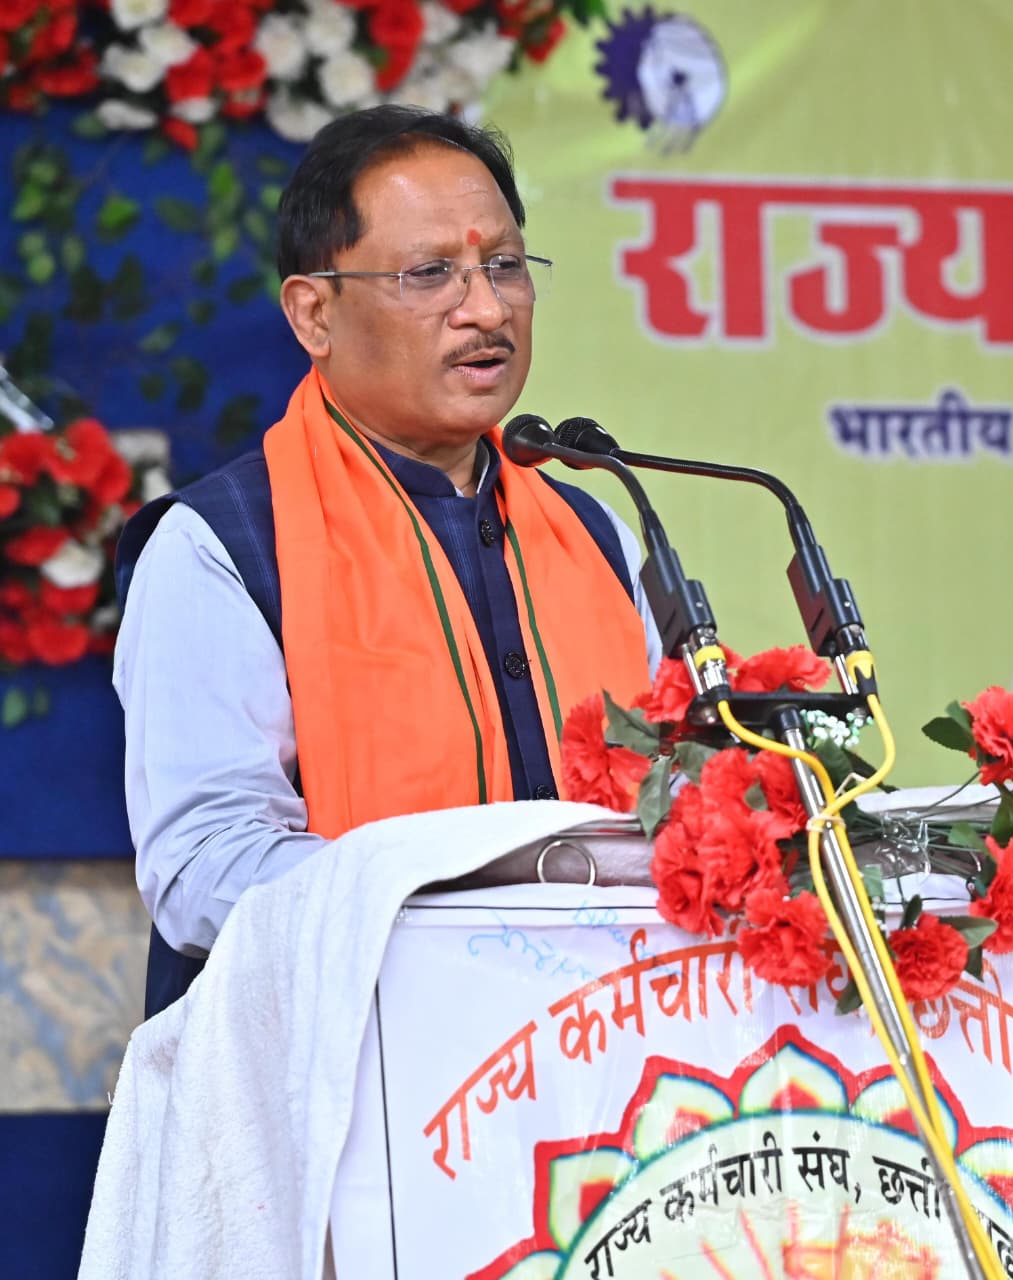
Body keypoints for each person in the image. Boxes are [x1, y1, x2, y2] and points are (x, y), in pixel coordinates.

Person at [113, 106, 661, 1017]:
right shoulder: (223, 545)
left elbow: (680, 806)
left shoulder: (594, 529)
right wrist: (477, 904)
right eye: (430, 273)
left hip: (596, 1046)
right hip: (343, 1062)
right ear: (314, 313)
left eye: (505, 266)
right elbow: (204, 867)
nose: (486, 309)